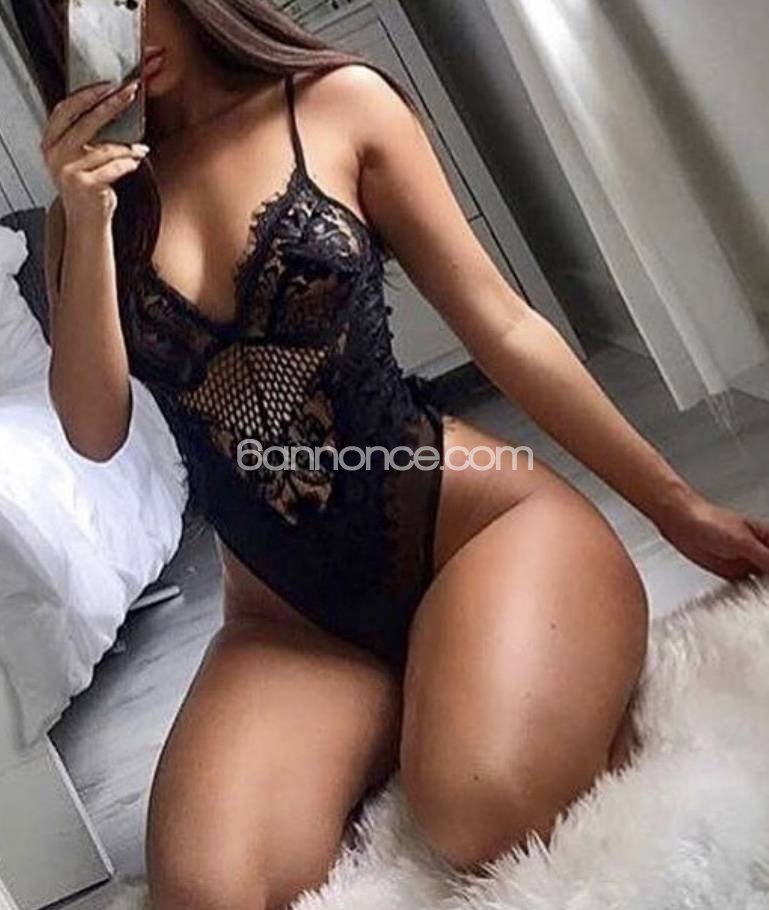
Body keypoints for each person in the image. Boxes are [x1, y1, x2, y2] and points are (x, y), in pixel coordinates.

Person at [28, 1, 769, 908]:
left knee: (482, 814)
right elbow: (93, 429)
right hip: (290, 621)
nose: (119, 27)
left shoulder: (336, 102)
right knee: (208, 896)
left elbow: (503, 326)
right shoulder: (86, 213)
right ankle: (417, 687)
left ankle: (494, 662)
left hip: (470, 532)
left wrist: (675, 507)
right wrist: (87, 221)